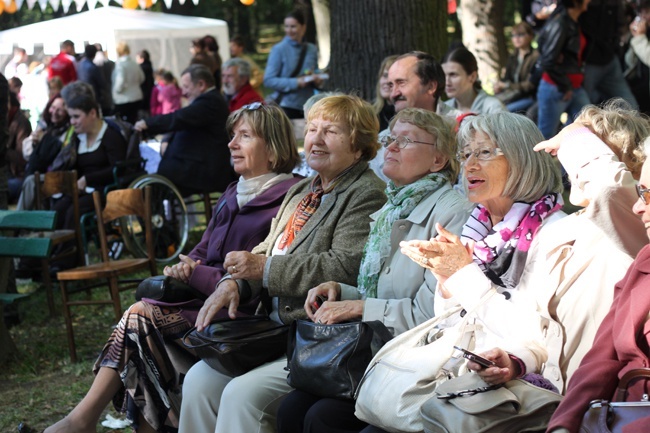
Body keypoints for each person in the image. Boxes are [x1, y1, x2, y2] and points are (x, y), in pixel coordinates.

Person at [292, 112, 563, 433]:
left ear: (521, 158)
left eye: (485, 152)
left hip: (510, 389)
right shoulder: (480, 230)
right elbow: (448, 321)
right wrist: (448, 283)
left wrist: (460, 275)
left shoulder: (551, 235)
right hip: (455, 371)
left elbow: (538, 335)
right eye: (466, 154)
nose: (470, 164)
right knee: (304, 410)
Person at [42, 103, 303, 433]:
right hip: (200, 302)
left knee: (139, 319)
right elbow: (202, 249)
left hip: (243, 316)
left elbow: (253, 275)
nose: (231, 143)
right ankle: (89, 421)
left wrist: (195, 273)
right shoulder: (232, 192)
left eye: (245, 136)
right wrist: (185, 267)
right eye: (232, 135)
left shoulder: (289, 199)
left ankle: (82, 421)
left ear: (274, 146)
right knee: (140, 338)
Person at [177, 94, 388, 433]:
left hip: (317, 337)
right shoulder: (304, 189)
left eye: (330, 131)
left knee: (241, 396)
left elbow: (343, 265)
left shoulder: (365, 193)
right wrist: (234, 282)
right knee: (200, 380)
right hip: (272, 329)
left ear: (359, 144)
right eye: (312, 129)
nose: (316, 139)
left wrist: (263, 270)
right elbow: (268, 247)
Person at [276, 108, 475, 433]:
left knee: (320, 417)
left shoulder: (451, 215)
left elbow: (434, 314)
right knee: (292, 408)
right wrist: (343, 291)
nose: (391, 147)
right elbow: (383, 292)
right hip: (372, 352)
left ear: (438, 160)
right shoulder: (392, 206)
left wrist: (359, 306)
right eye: (390, 139)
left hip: (413, 364)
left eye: (405, 140)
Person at [546, 122, 650, 433]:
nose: (637, 205)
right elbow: (601, 358)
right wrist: (565, 424)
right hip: (604, 412)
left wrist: (574, 137)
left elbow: (608, 187)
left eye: (645, 193)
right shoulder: (643, 259)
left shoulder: (626, 231)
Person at [51, 82, 127, 267]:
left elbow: (119, 169)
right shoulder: (79, 139)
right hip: (83, 190)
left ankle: (67, 260)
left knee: (73, 211)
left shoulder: (110, 136)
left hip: (107, 191)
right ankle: (51, 256)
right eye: (71, 117)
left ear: (92, 113)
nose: (72, 122)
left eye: (76, 117)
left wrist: (89, 179)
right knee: (58, 208)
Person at [134, 64, 234, 197]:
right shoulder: (208, 100)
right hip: (196, 164)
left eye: (186, 87)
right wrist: (166, 140)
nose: (184, 92)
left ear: (201, 85)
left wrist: (147, 123)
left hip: (205, 170)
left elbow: (179, 118)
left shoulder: (210, 102)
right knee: (151, 184)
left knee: (150, 189)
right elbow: (181, 120)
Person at [371, 51, 459, 183]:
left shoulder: (464, 130)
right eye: (391, 85)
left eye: (401, 83)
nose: (393, 94)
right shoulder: (383, 141)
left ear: (430, 86)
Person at [536, 0, 591, 139]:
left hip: (573, 87)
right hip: (557, 88)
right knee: (546, 136)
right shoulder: (560, 23)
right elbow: (547, 61)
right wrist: (565, 86)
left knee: (586, 129)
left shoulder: (573, 22)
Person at [17, 94, 72, 211]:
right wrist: (34, 142)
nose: (54, 112)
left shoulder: (69, 131)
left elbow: (61, 158)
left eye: (60, 110)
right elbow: (27, 155)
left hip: (55, 173)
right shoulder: (44, 126)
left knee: (31, 182)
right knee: (31, 182)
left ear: (67, 113)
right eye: (53, 107)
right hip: (36, 171)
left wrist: (45, 141)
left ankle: (18, 222)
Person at [580, 0, 638, 109]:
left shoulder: (614, 3)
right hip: (588, 63)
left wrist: (615, 46)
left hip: (610, 60)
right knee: (580, 110)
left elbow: (620, 24)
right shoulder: (584, 5)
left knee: (631, 107)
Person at [264, 8, 320, 119]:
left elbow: (314, 70)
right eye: (286, 26)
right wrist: (296, 82)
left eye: (293, 26)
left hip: (309, 105)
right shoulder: (278, 49)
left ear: (303, 27)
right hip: (286, 106)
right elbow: (268, 80)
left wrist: (318, 79)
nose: (289, 30)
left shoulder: (311, 49)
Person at [442, 47, 507, 114]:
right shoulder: (442, 110)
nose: (447, 82)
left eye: (453, 75)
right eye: (443, 75)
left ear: (473, 77)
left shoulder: (493, 108)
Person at [493, 22, 540, 113]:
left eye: (520, 34)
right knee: (491, 105)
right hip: (513, 95)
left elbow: (530, 85)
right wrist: (499, 86)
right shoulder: (513, 56)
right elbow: (506, 78)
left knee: (502, 111)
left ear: (530, 36)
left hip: (529, 97)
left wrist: (507, 85)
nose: (516, 38)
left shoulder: (536, 56)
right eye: (513, 35)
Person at [6, 91, 32, 202]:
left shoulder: (21, 122)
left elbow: (22, 158)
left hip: (17, 176)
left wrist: (3, 149)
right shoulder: (6, 119)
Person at [626, 0, 650, 114]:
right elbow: (630, 62)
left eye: (646, 12)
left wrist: (639, 38)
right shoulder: (645, 30)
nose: (643, 17)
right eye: (641, 13)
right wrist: (634, 36)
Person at [112, 41, 144, 124]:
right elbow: (142, 78)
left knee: (123, 123)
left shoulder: (120, 64)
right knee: (133, 120)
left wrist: (117, 90)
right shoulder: (134, 63)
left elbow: (120, 81)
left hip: (124, 99)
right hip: (136, 97)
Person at [76, 44, 106, 113]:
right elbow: (102, 83)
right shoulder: (93, 67)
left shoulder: (79, 64)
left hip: (82, 94)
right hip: (93, 95)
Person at [372, 55, 397, 131]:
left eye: (393, 77)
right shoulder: (369, 114)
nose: (387, 81)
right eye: (385, 75)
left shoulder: (410, 115)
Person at [137, 49, 154, 116]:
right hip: (150, 93)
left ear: (142, 59)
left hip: (143, 94)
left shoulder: (141, 68)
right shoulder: (150, 67)